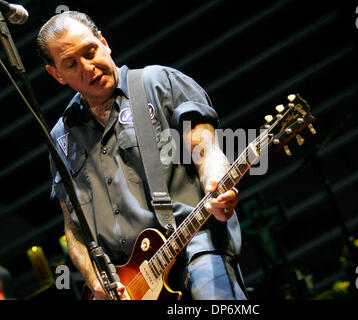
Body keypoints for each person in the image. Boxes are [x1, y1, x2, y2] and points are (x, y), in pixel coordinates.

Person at [37, 11, 247, 300]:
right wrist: (92, 277)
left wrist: (215, 182)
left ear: (104, 41)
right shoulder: (61, 137)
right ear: (56, 74)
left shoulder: (158, 83)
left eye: (90, 51)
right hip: (131, 287)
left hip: (196, 246)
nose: (88, 68)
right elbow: (73, 227)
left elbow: (206, 147)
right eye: (71, 64)